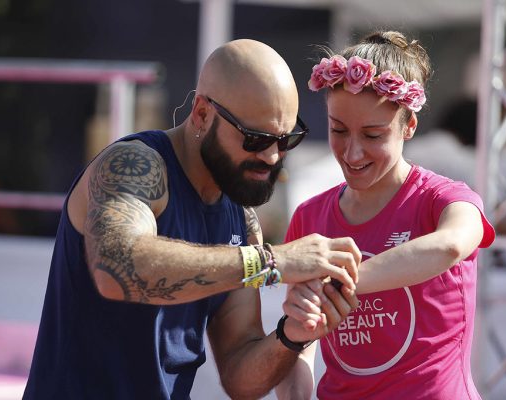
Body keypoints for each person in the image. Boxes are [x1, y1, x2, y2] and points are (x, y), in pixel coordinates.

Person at [23, 39, 362, 400]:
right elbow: (116, 266)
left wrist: (294, 334)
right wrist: (270, 261)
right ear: (201, 114)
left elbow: (239, 376)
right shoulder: (135, 165)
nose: (271, 156)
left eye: (285, 139)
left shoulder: (239, 216)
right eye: (255, 138)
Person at [275, 30, 496, 400]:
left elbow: (450, 247)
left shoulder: (444, 199)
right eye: (338, 130)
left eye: (373, 135)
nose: (352, 152)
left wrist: (339, 284)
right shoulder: (309, 216)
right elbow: (301, 341)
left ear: (409, 126)